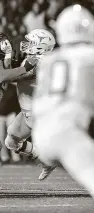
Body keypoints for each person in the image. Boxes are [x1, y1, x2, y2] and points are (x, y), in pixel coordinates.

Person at [32, 5, 94, 213]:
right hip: (66, 131)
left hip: (40, 133)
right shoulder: (93, 55)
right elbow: (86, 95)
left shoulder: (49, 59)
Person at [3, 29, 56, 180]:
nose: (26, 45)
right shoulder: (36, 59)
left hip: (40, 113)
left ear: (41, 45)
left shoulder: (38, 61)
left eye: (31, 42)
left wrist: (4, 66)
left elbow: (15, 76)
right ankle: (47, 161)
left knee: (64, 149)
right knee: (11, 141)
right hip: (30, 111)